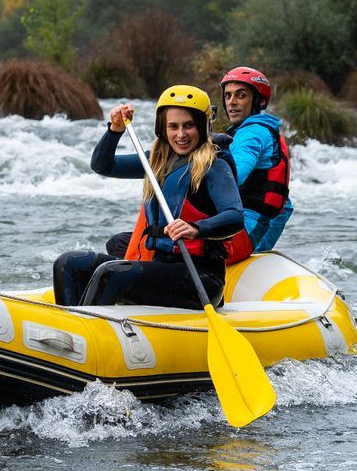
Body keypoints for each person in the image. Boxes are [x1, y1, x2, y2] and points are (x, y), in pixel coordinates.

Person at [53, 85, 243, 308]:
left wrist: (196, 228)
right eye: (173, 126)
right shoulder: (156, 161)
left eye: (188, 126)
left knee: (112, 273)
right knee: (68, 263)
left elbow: (235, 216)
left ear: (202, 126)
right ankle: (70, 329)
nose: (180, 134)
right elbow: (103, 165)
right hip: (158, 263)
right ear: (163, 129)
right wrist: (114, 131)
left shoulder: (214, 165)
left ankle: (87, 333)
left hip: (200, 278)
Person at [217, 67, 293, 262]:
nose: (232, 102)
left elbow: (233, 176)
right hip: (254, 233)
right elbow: (285, 207)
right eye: (228, 96)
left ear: (259, 101)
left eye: (240, 96)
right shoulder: (267, 129)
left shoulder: (251, 135)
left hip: (240, 236)